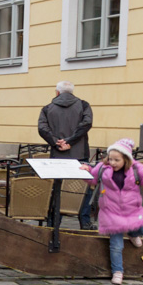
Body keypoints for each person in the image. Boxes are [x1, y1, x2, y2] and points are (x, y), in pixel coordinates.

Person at [80, 138, 143, 285]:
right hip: (111, 212)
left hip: (132, 210)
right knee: (116, 245)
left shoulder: (136, 168)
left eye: (117, 160)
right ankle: (118, 272)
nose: (113, 163)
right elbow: (93, 178)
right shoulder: (103, 168)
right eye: (111, 159)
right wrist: (87, 170)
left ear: (126, 159)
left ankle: (133, 233)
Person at [38, 81, 95, 228]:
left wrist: (57, 142)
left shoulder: (47, 108)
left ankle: (54, 221)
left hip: (58, 155)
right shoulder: (84, 105)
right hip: (80, 153)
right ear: (72, 92)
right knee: (83, 189)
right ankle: (85, 222)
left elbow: (42, 128)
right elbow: (86, 124)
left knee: (57, 188)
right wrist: (70, 141)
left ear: (57, 92)